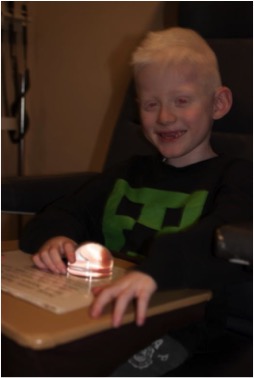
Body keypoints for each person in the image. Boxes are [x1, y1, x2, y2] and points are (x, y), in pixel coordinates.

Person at [20, 27, 252, 376]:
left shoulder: (237, 176)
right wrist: (55, 239)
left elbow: (221, 237)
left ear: (218, 103)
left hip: (184, 329)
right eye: (151, 104)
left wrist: (155, 271)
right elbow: (64, 213)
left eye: (182, 100)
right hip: (99, 314)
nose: (164, 117)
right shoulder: (126, 174)